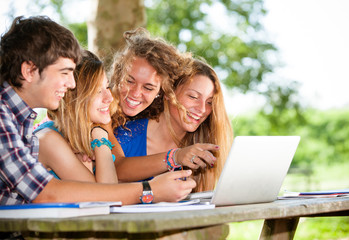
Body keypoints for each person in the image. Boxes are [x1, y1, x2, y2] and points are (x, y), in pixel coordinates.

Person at [0, 16, 195, 206]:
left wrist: (99, 135)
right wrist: (150, 190)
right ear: (29, 71)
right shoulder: (9, 120)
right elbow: (47, 193)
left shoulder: (22, 121)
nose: (71, 83)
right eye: (65, 72)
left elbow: (100, 192)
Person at [112, 58, 234, 192]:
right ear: (169, 93)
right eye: (193, 97)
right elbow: (112, 174)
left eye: (209, 102)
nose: (202, 109)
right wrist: (175, 157)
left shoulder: (202, 145)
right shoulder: (125, 134)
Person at [33, 50, 118, 183]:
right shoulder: (49, 140)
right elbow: (107, 196)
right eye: (97, 91)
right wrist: (100, 137)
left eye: (107, 87)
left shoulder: (81, 138)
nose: (109, 97)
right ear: (74, 98)